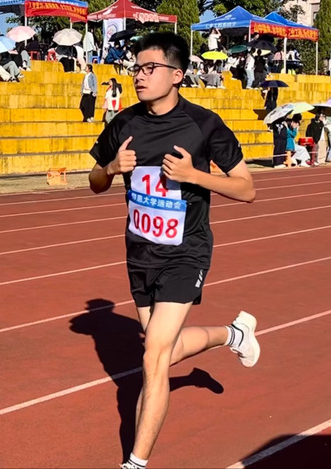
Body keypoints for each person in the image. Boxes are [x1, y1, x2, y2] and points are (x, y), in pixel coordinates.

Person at [88, 32, 258, 469]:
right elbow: (94, 181)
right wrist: (112, 168)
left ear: (177, 75)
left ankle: (136, 463)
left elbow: (246, 189)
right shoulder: (124, 123)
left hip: (186, 252)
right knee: (161, 352)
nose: (139, 76)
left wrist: (193, 175)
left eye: (150, 68)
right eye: (136, 68)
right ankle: (233, 334)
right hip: (140, 253)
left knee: (153, 357)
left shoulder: (204, 125)